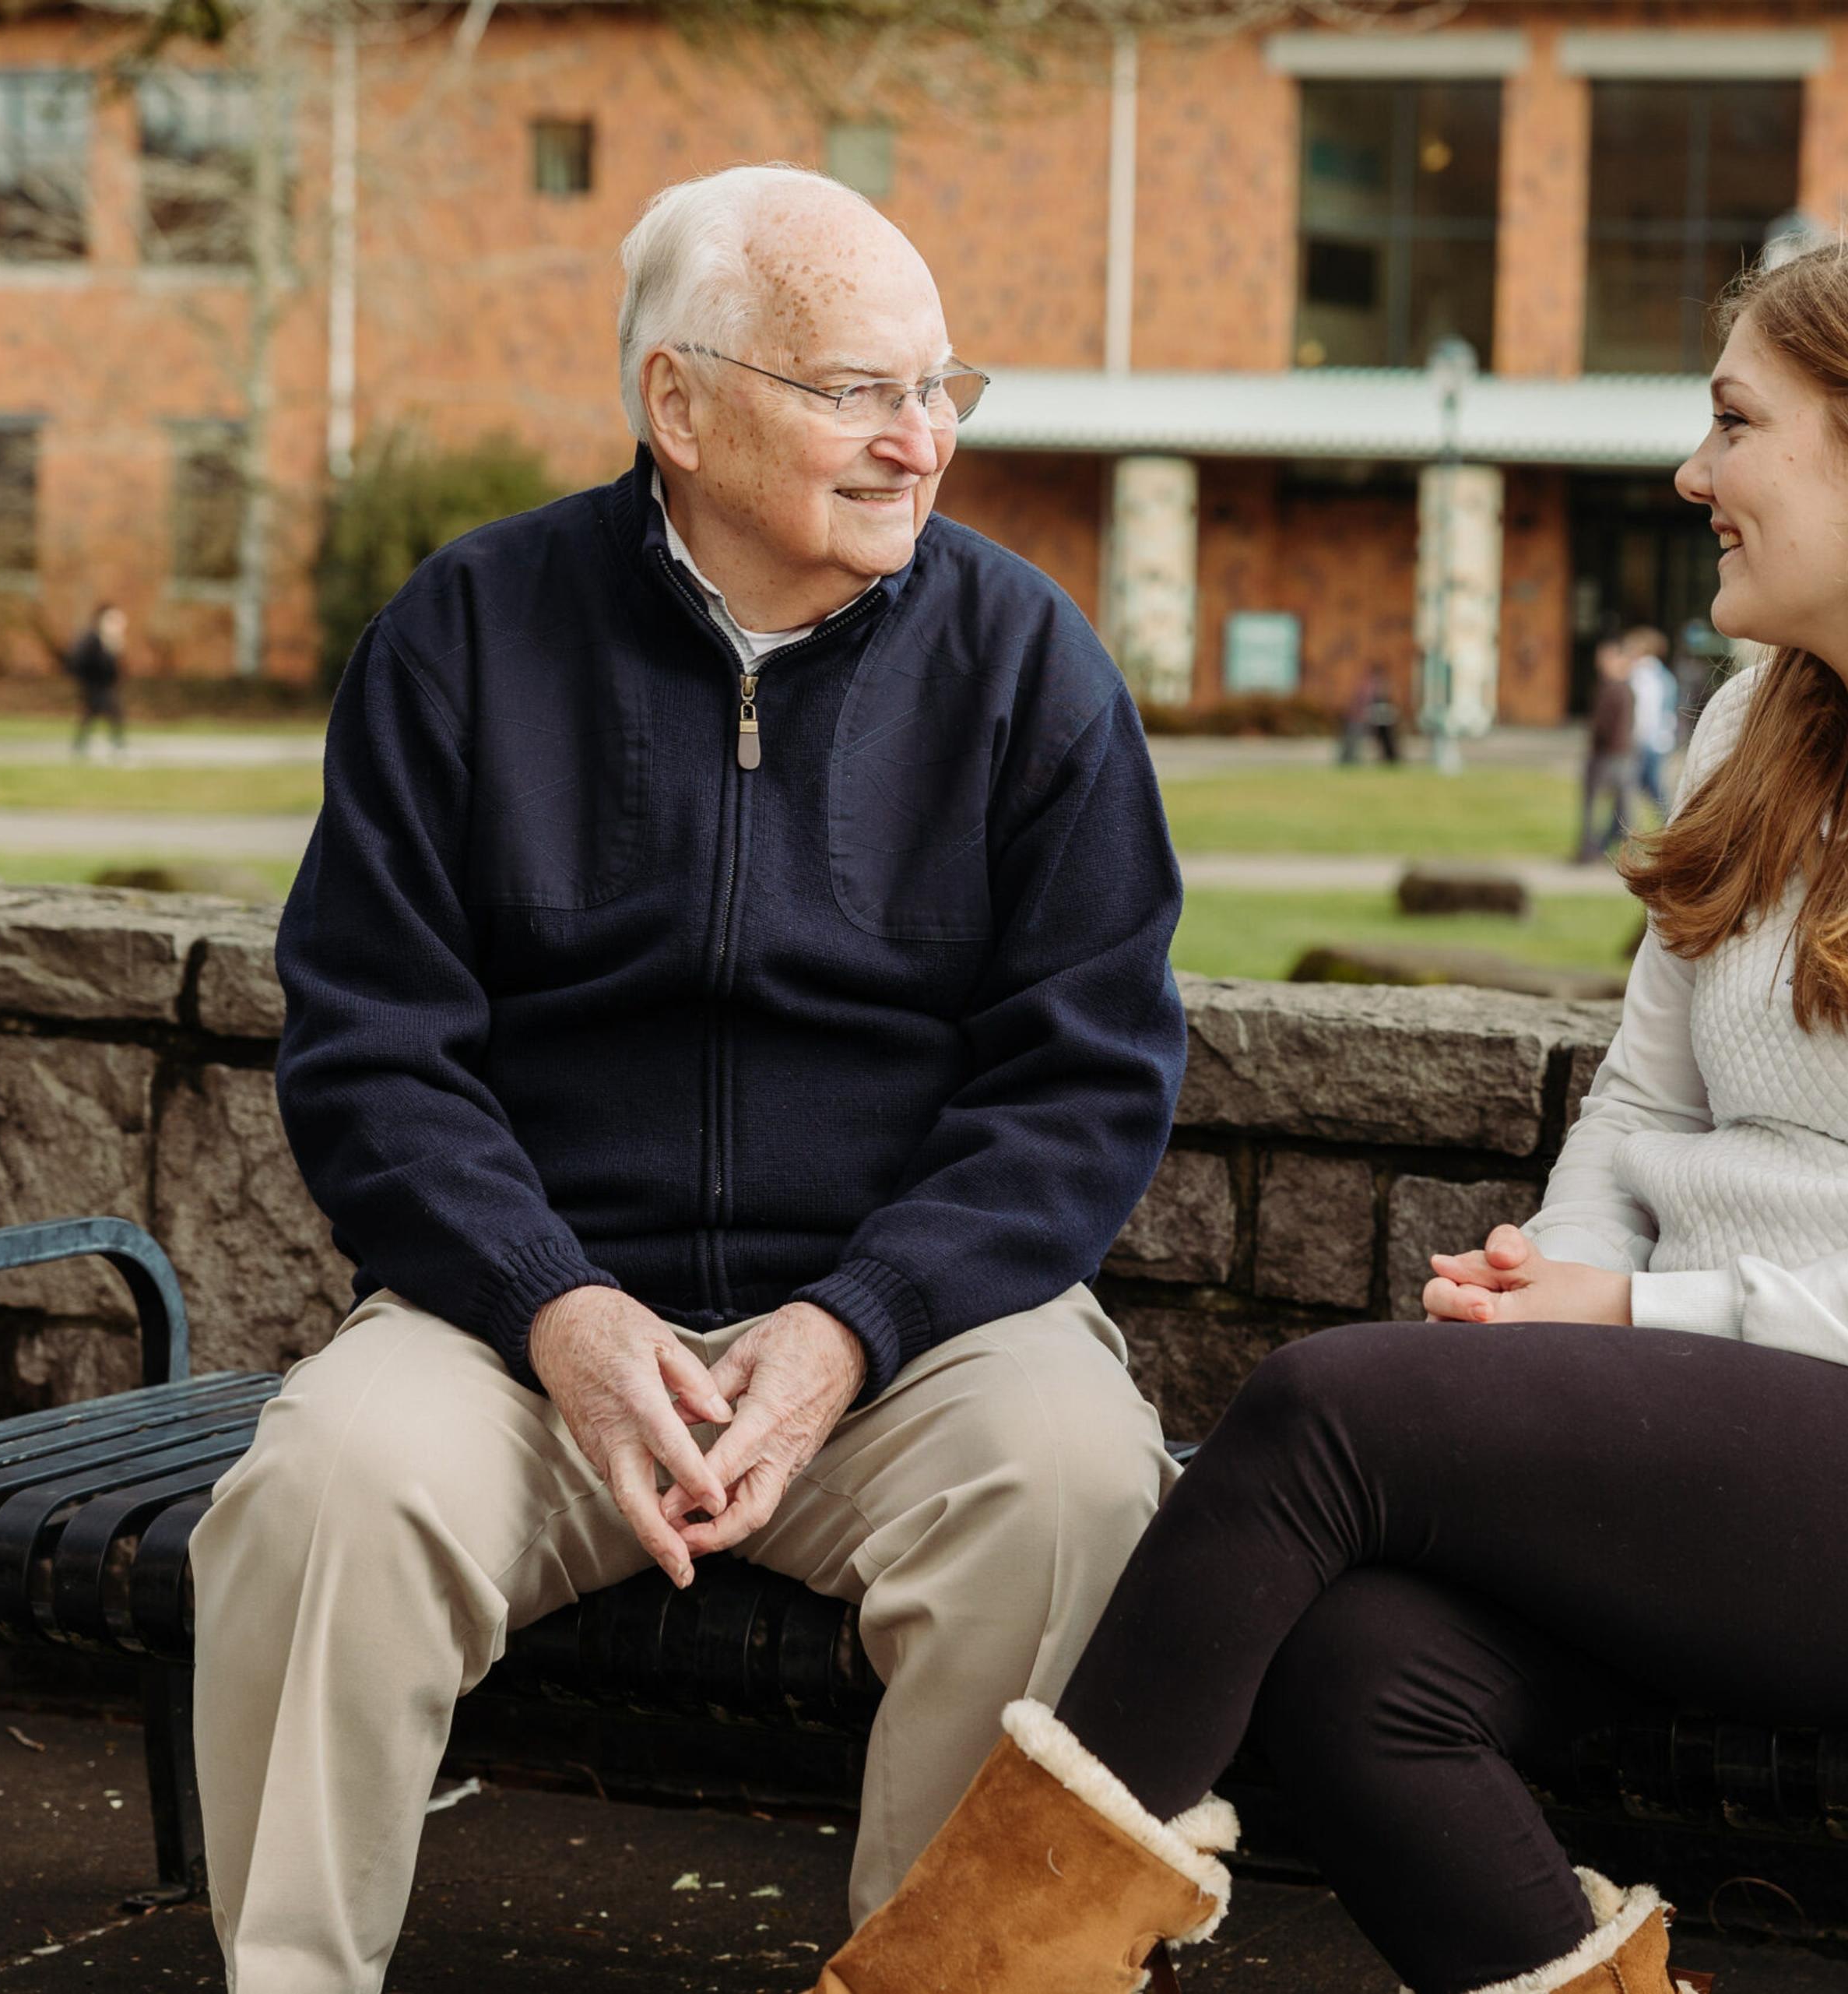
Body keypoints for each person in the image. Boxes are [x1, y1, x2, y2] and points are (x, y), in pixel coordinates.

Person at [813, 236, 1848, 1994]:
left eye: (1737, 422)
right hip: (1766, 1419)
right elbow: (1646, 1104)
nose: (1692, 474)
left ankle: (945, 1986)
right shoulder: (1760, 723)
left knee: (1320, 1413)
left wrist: (1636, 1316)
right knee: (1360, 1669)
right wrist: (1552, 1310)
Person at [192, 164, 1190, 1993]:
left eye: (942, 387)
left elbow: (1084, 1077)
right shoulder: (469, 633)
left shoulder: (1025, 660)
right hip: (536, 1330)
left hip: (908, 1341)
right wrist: (553, 1305)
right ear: (678, 399)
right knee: (323, 1486)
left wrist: (853, 1320)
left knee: (1074, 1484)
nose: (922, 442)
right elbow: (370, 1047)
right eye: (861, 390)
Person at [1573, 635, 1640, 861]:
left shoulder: (1617, 689)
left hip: (1611, 755)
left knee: (1607, 807)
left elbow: (1608, 727)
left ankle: (1594, 850)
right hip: (1618, 754)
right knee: (1621, 807)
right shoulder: (1616, 688)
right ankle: (1607, 849)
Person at [1624, 623, 1679, 819]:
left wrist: (1634, 738)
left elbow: (1645, 712)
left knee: (1646, 788)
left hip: (1646, 741)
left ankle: (1672, 824)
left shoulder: (1642, 674)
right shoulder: (1663, 675)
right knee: (1641, 787)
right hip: (1659, 740)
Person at [64, 603, 128, 758]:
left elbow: (114, 672)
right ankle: (117, 744)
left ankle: (80, 744)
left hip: (102, 685)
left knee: (91, 714)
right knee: (114, 712)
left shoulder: (107, 641)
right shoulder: (92, 640)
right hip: (94, 685)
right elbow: (81, 662)